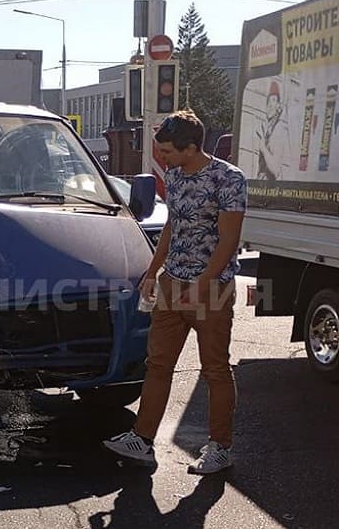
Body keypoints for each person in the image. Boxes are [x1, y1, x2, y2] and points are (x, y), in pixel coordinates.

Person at [103, 110, 247, 475]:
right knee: (158, 364)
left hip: (211, 288)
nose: (161, 158)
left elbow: (229, 239)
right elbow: (172, 224)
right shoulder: (175, 175)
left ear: (192, 146)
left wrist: (201, 286)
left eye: (166, 151)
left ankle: (220, 448)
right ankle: (142, 438)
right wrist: (153, 271)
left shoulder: (228, 179)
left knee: (214, 369)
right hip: (172, 282)